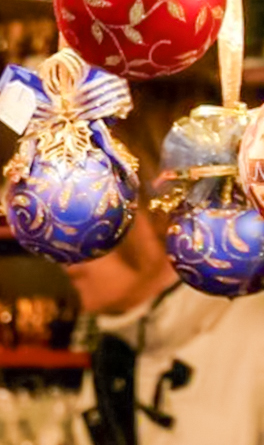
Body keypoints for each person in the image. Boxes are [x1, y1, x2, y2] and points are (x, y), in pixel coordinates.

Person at [70, 93, 264, 445]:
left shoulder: (255, 340)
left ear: (163, 204)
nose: (68, 241)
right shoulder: (117, 350)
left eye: (95, 206)